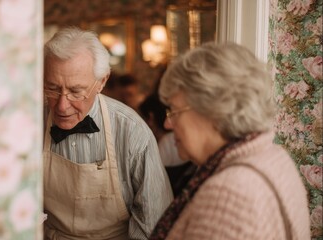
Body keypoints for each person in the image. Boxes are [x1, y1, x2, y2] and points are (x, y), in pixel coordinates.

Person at [150, 42, 310, 239]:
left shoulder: (230, 192)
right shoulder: (273, 156)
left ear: (213, 111)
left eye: (174, 110)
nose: (167, 124)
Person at [43, 26, 173, 239]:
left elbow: (154, 224)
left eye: (76, 91)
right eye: (53, 89)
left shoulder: (131, 131)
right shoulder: (30, 124)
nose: (61, 106)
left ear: (102, 81)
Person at [138, 94, 196, 196]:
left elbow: (153, 184)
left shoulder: (167, 142)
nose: (167, 123)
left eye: (141, 118)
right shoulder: (170, 139)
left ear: (150, 118)